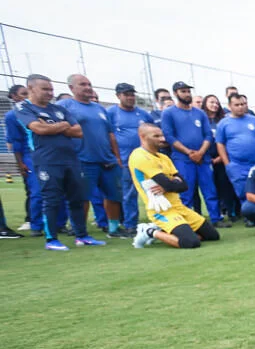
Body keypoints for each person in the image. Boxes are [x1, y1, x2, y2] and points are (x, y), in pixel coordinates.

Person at [15, 74, 104, 250]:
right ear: (31, 88)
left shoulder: (58, 109)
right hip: (46, 160)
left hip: (71, 159)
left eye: (51, 89)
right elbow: (38, 129)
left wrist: (52, 126)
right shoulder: (24, 107)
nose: (50, 93)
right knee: (52, 199)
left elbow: (78, 132)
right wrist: (62, 125)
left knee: (77, 198)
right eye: (45, 89)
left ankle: (82, 236)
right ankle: (51, 239)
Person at [129, 123, 222, 250]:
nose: (162, 139)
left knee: (212, 236)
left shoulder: (163, 157)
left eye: (162, 135)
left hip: (178, 207)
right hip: (161, 210)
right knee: (191, 242)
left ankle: (166, 230)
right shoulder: (140, 156)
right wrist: (172, 183)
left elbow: (184, 186)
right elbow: (169, 183)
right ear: (142, 136)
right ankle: (149, 231)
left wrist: (168, 186)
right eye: (156, 136)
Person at [59, 73, 127, 237]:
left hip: (107, 160)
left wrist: (117, 157)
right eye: (83, 84)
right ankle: (79, 230)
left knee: (114, 195)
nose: (88, 87)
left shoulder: (99, 108)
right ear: (71, 88)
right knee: (82, 197)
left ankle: (113, 228)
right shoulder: (65, 105)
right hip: (83, 160)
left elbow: (110, 134)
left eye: (89, 84)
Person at [162, 80, 219, 226]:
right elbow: (169, 136)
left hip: (203, 158)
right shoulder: (169, 113)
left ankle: (216, 218)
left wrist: (201, 152)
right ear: (175, 93)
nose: (187, 94)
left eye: (188, 91)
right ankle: (185, 221)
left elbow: (208, 135)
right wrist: (189, 152)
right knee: (185, 192)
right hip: (183, 159)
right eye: (183, 91)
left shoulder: (200, 113)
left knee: (210, 190)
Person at [108, 82, 154, 235]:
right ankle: (130, 224)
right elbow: (108, 136)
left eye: (132, 94)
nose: (130, 97)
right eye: (126, 94)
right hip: (125, 161)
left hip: (146, 160)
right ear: (118, 96)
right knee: (128, 194)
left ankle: (158, 221)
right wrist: (115, 157)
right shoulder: (112, 113)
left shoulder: (143, 114)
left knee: (153, 191)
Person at [215, 93, 255, 210]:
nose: (241, 107)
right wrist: (227, 164)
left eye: (243, 104)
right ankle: (249, 213)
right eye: (237, 105)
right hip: (237, 165)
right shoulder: (223, 123)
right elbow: (220, 144)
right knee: (242, 192)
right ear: (229, 106)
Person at [202, 94, 237, 223]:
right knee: (210, 188)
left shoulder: (223, 121)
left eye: (216, 103)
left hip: (222, 158)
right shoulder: (202, 120)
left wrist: (221, 157)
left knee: (226, 186)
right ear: (205, 104)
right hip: (205, 159)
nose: (214, 105)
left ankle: (231, 212)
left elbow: (228, 141)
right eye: (211, 102)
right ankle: (216, 214)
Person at [7, 84, 35, 233]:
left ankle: (57, 223)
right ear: (14, 96)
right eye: (23, 93)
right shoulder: (12, 116)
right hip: (28, 156)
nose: (27, 96)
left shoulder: (37, 111)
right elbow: (14, 142)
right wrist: (20, 163)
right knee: (33, 191)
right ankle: (31, 220)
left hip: (43, 155)